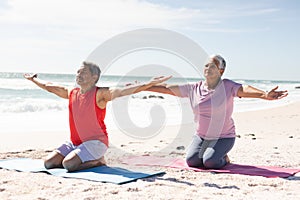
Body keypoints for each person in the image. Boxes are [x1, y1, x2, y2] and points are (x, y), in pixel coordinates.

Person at [24, 61, 170, 172]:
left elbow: (122, 91)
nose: (78, 75)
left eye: (83, 73)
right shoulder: (71, 92)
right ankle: (81, 156)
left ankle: (99, 161)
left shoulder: (100, 94)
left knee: (68, 165)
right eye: (77, 72)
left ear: (94, 77)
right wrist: (34, 80)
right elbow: (49, 86)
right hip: (76, 142)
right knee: (48, 163)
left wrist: (148, 84)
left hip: (96, 142)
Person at [147, 55, 288, 169]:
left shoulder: (227, 86)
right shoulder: (193, 88)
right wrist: (142, 87)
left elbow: (244, 89)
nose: (208, 68)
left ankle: (225, 158)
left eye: (213, 66)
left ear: (221, 71)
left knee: (210, 162)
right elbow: (166, 88)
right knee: (192, 161)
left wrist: (264, 94)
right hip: (201, 136)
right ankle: (209, 152)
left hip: (224, 137)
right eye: (206, 65)